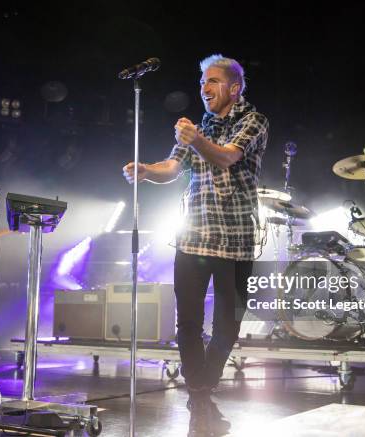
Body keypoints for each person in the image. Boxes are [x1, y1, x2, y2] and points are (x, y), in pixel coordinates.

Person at [123, 54, 268, 436]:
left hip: (236, 239)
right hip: (193, 237)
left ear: (234, 89)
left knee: (228, 326)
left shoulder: (253, 120)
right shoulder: (198, 126)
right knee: (187, 323)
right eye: (202, 81)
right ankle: (200, 399)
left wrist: (196, 138)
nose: (205, 87)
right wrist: (146, 172)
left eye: (214, 81)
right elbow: (172, 168)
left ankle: (202, 392)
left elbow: (225, 158)